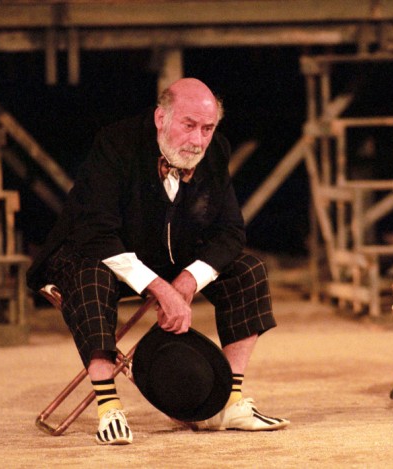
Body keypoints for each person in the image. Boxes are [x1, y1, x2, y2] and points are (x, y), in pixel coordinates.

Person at [27, 77, 289, 445]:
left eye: (208, 128)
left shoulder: (215, 151)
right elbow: (96, 233)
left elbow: (231, 231)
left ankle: (227, 402)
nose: (198, 140)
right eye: (189, 125)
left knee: (248, 271)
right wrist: (161, 290)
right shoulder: (116, 143)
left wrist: (188, 280)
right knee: (91, 275)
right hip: (95, 253)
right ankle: (108, 406)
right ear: (160, 118)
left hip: (168, 260)